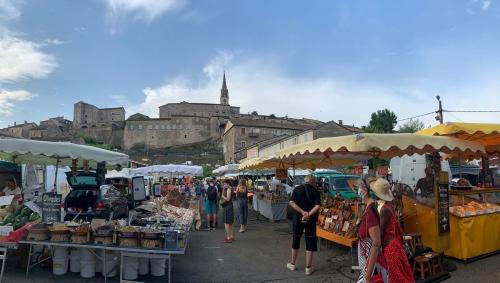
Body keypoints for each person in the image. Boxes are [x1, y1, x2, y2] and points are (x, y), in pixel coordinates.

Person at [372, 178, 414, 283]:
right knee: (400, 277)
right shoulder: (387, 206)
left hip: (390, 249)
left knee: (396, 278)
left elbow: (380, 232)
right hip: (394, 245)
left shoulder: (384, 210)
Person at [287, 175, 321, 276]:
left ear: (305, 181)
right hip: (310, 220)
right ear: (313, 182)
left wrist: (302, 212)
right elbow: (318, 206)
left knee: (296, 239)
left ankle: (292, 264)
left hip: (298, 219)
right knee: (310, 241)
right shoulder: (315, 191)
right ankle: (308, 268)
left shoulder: (297, 189)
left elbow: (291, 202)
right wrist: (308, 214)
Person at [357, 179, 388, 283]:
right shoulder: (368, 208)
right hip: (368, 261)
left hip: (371, 264)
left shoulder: (370, 212)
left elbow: (376, 243)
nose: (357, 192)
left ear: (365, 191)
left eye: (358, 189)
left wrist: (368, 274)